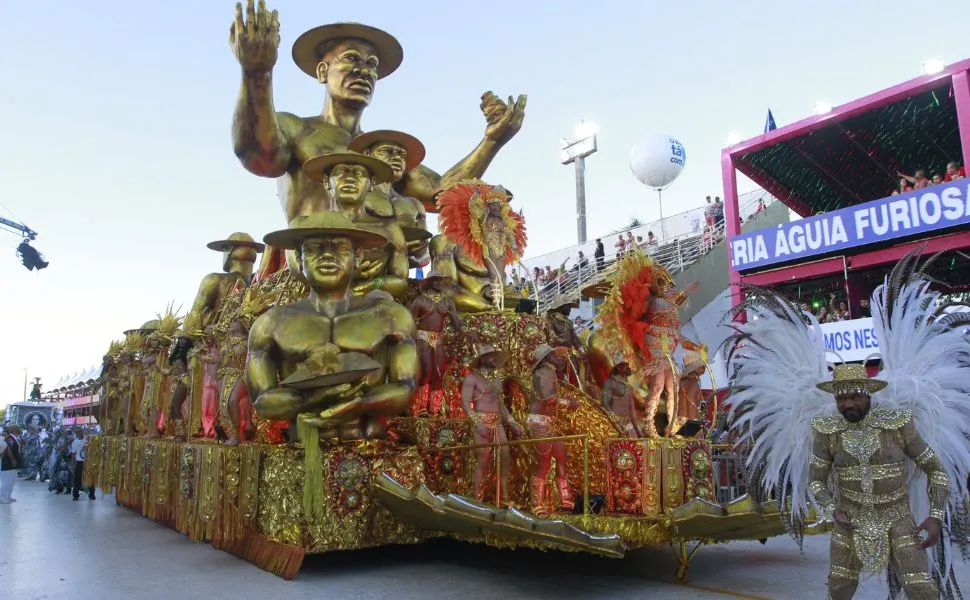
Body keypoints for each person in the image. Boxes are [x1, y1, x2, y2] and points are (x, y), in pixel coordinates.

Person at [229, 1, 525, 278]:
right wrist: (257, 72)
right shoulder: (296, 128)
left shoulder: (383, 151)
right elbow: (257, 155)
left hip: (382, 270)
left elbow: (441, 193)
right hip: (314, 268)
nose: (364, 71)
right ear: (322, 71)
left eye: (372, 64)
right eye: (350, 59)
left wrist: (492, 141)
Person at [246, 211, 418, 441]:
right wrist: (309, 400)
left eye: (339, 247)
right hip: (302, 452)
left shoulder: (392, 317)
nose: (327, 255)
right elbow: (262, 401)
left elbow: (406, 387)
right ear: (299, 257)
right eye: (315, 248)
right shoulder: (270, 324)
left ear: (358, 256)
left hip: (368, 448)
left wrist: (362, 404)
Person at [810, 365, 946, 599]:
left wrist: (936, 516)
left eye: (854, 396)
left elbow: (936, 470)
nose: (848, 404)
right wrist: (833, 509)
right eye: (841, 398)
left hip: (898, 517)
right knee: (838, 588)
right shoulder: (827, 432)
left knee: (920, 588)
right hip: (850, 520)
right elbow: (816, 481)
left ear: (867, 393)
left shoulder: (897, 425)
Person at [460, 345, 524, 505]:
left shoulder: (496, 380)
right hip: (481, 423)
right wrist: (477, 423)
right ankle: (477, 500)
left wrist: (512, 423)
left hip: (497, 423)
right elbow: (465, 403)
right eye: (491, 356)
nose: (494, 359)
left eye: (495, 356)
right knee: (483, 459)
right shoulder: (471, 379)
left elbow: (501, 406)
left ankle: (503, 498)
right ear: (482, 359)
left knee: (505, 457)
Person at [527, 344, 576, 515]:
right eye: (553, 355)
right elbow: (548, 399)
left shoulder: (549, 372)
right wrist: (569, 404)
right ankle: (537, 504)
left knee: (562, 456)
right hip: (539, 422)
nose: (557, 357)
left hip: (548, 422)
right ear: (546, 358)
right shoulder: (543, 373)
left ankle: (566, 499)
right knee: (544, 463)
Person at [601, 362, 641, 437]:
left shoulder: (629, 387)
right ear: (618, 368)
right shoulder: (610, 383)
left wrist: (638, 431)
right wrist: (615, 421)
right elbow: (604, 403)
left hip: (629, 426)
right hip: (614, 427)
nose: (628, 368)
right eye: (625, 366)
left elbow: (632, 411)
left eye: (628, 365)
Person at [70, 429, 96, 501]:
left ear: (83, 432)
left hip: (88, 462)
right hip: (79, 462)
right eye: (77, 432)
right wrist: (73, 464)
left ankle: (92, 494)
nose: (79, 433)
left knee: (90, 478)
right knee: (77, 479)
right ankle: (75, 495)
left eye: (80, 431)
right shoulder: (74, 443)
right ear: (76, 433)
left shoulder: (88, 440)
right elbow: (73, 454)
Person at [0, 425, 23, 503]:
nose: (20, 429)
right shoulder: (9, 438)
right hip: (8, 462)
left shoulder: (15, 438)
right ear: (14, 430)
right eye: (18, 428)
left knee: (11, 481)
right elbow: (8, 450)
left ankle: (8, 496)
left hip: (13, 463)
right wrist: (12, 460)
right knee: (6, 481)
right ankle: (2, 497)